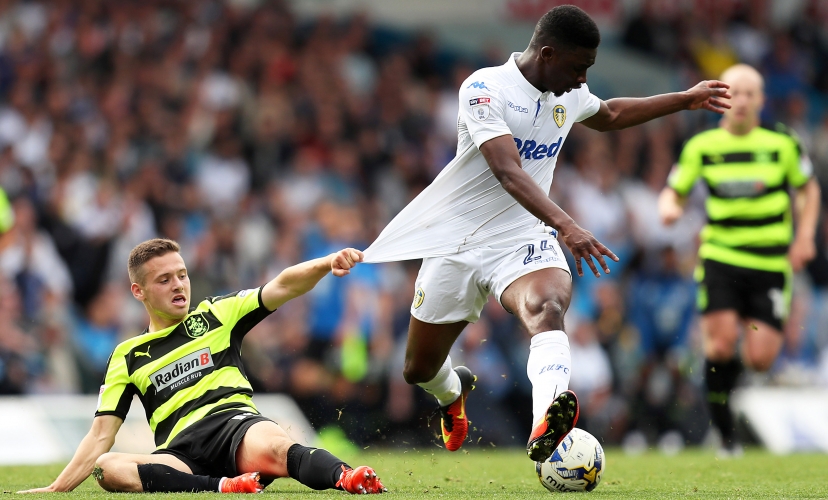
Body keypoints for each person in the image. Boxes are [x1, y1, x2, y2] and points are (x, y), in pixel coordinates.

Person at [360, 4, 731, 462]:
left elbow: (610, 113)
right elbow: (507, 170)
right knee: (418, 369)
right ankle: (453, 393)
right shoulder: (484, 89)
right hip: (457, 242)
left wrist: (683, 99)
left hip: (523, 236)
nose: (582, 79)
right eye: (579, 67)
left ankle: (545, 425)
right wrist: (568, 225)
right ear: (548, 54)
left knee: (548, 307)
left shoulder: (568, 92)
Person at [18, 238, 386, 494]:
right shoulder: (126, 355)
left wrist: (326, 263)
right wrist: (57, 488)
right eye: (164, 280)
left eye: (182, 275)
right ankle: (225, 487)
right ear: (138, 291)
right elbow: (100, 436)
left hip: (235, 429)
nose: (178, 285)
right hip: (179, 454)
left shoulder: (217, 314)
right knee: (107, 467)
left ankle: (348, 477)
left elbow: (283, 286)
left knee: (278, 446)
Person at [658, 63, 821, 456]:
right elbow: (673, 190)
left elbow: (808, 189)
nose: (742, 101)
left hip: (770, 263)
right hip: (721, 257)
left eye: (750, 93)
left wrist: (804, 237)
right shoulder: (702, 146)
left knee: (761, 359)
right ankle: (725, 432)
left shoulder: (782, 143)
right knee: (719, 346)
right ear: (721, 100)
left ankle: (731, 394)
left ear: (762, 100)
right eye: (735, 93)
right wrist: (669, 208)